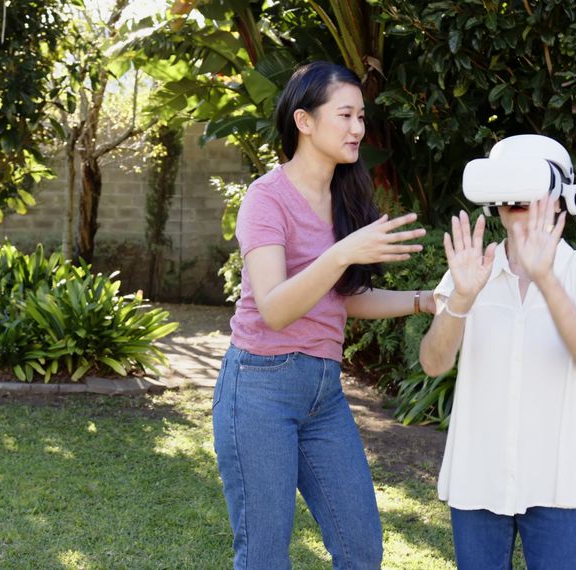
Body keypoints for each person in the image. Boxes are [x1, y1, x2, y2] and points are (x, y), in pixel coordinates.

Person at [212, 61, 435, 569]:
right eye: (345, 115)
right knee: (265, 557)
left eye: (361, 117)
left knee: (361, 548)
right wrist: (342, 252)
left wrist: (425, 299)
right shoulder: (266, 199)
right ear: (304, 121)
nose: (358, 128)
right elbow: (275, 307)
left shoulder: (345, 198)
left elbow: (342, 298)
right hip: (259, 388)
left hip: (323, 394)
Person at [419, 135, 576, 569]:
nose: (517, 199)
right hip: (477, 482)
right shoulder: (469, 274)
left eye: (529, 183)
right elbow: (433, 363)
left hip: (558, 490)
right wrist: (460, 299)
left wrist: (546, 279)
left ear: (562, 198)